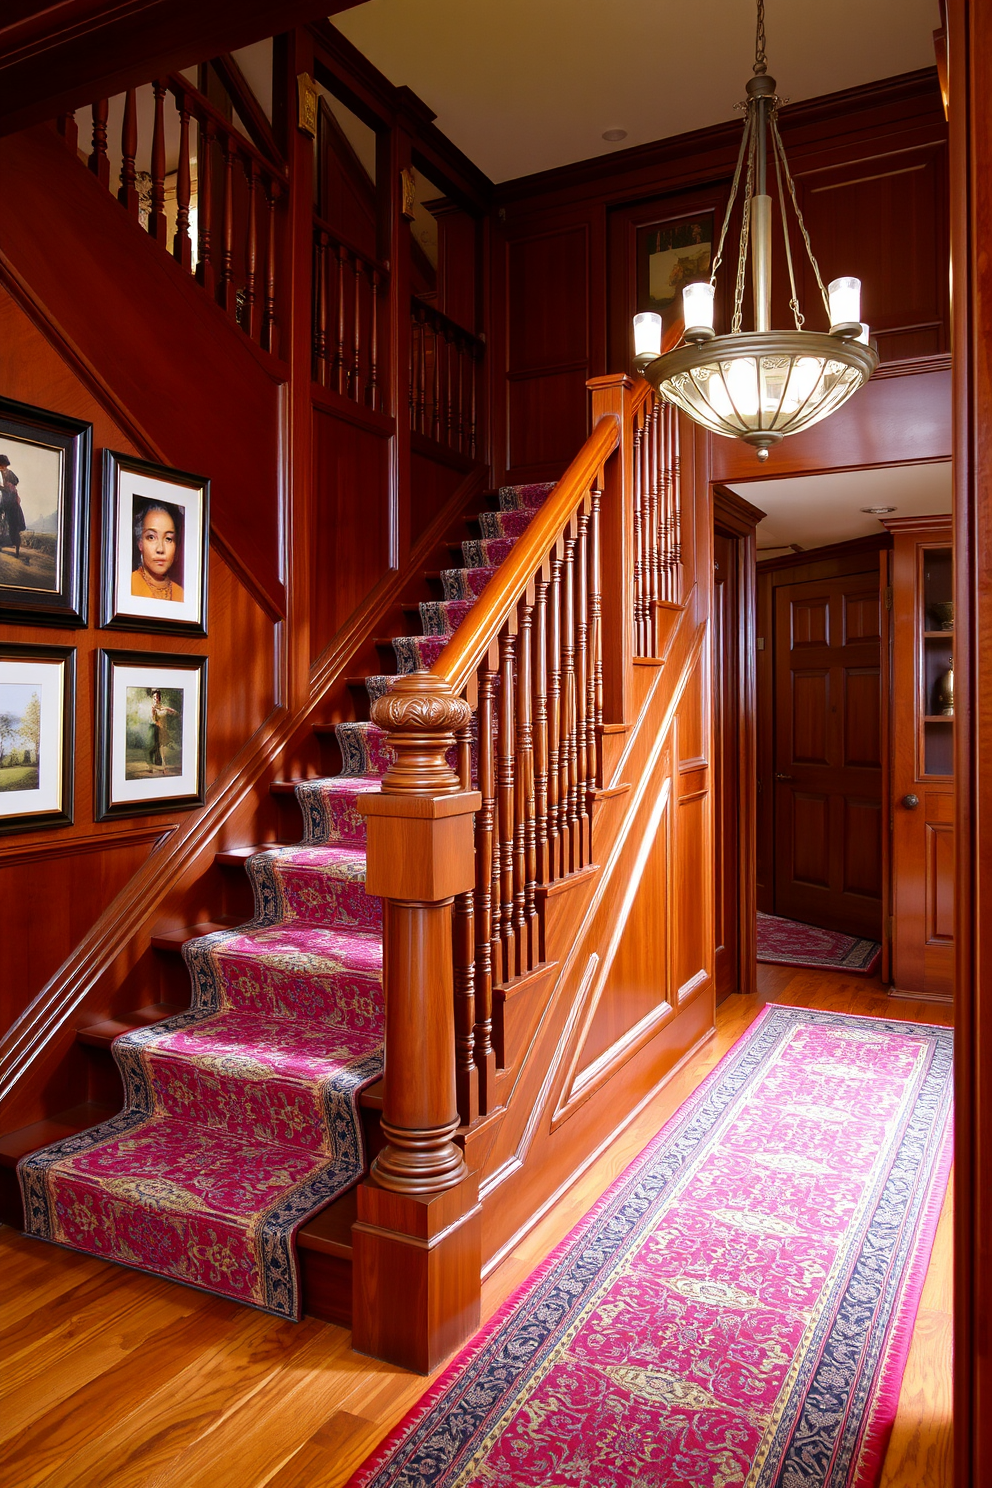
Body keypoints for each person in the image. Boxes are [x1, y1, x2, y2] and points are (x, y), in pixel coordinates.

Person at [131, 501, 184, 601]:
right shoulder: (128, 584)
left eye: (168, 539)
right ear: (140, 544)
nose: (160, 549)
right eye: (151, 537)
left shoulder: (181, 594)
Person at [0, 462, 26, 559]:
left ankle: (17, 551)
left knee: (14, 528)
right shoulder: (4, 475)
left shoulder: (8, 475)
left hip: (11, 506)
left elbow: (9, 489)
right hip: (7, 505)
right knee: (9, 527)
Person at [148, 689, 178, 772]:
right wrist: (157, 722)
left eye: (157, 697)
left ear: (159, 698)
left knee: (164, 749)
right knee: (158, 749)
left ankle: (162, 766)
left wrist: (167, 709)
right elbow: (154, 720)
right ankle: (161, 766)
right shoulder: (153, 709)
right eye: (154, 697)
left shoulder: (163, 708)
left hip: (164, 730)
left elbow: (176, 713)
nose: (156, 699)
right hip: (157, 731)